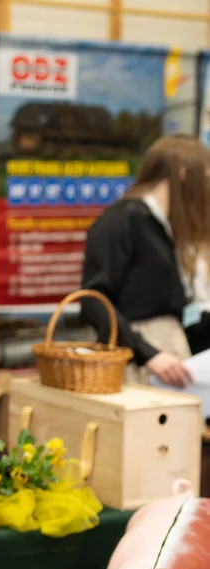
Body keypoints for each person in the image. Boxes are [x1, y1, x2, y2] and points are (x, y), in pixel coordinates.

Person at [81, 133, 210, 388]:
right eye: (205, 178)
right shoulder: (123, 220)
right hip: (138, 364)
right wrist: (148, 354)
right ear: (184, 175)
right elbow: (94, 300)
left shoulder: (162, 227)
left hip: (169, 357)